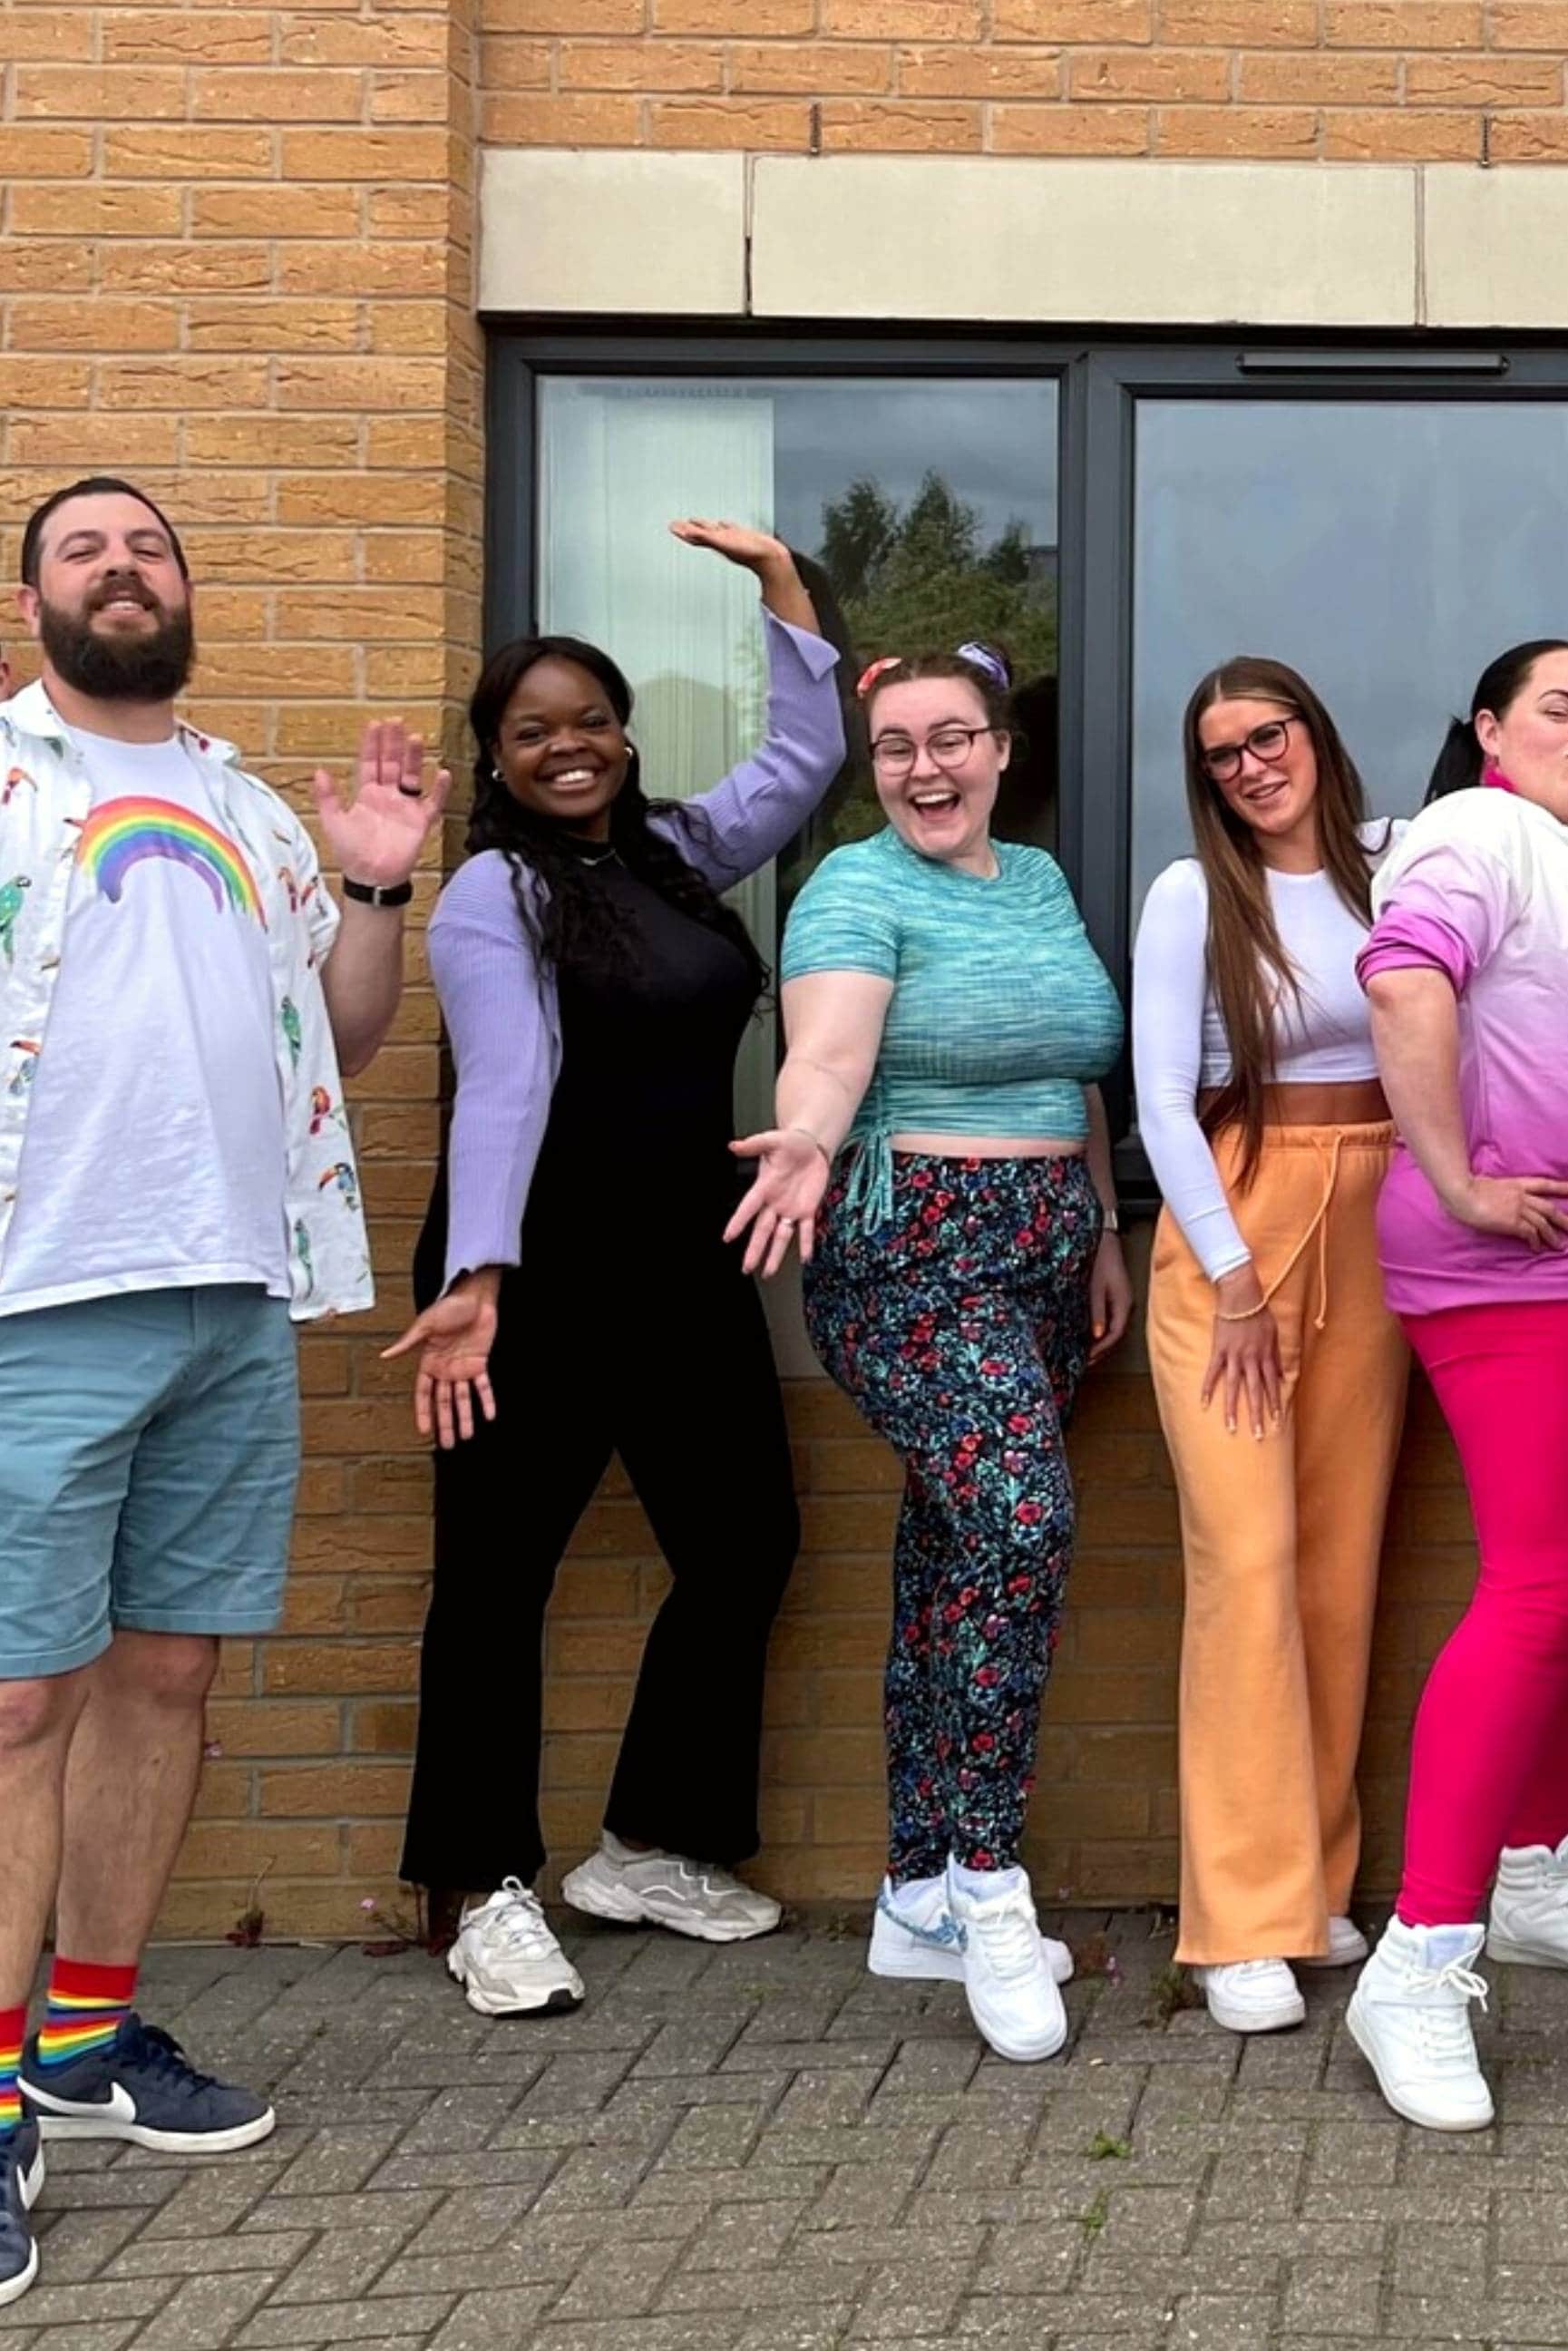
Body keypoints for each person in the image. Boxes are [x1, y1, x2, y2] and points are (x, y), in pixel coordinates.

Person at [0, 478, 433, 2303]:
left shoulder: (252, 808)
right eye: (85, 550)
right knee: (19, 1701)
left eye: (148, 549)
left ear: (184, 590)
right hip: (35, 1301)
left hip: (236, 1296)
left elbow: (335, 1037)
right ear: (33, 598)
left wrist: (374, 884)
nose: (123, 570)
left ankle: (81, 2043)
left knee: (167, 1672)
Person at [386, 522, 843, 2020]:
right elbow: (506, 1088)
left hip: (680, 1267)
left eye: (588, 721)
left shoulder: (670, 854)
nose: (568, 747)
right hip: (527, 1280)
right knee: (498, 1581)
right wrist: (477, 1281)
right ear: (496, 761)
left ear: (624, 735)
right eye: (533, 733)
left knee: (744, 1543)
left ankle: (645, 1845)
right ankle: (479, 1887)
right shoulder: (492, 897)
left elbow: (799, 764)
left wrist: (784, 595)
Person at [723, 644, 1128, 2068]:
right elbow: (829, 1051)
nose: (924, 768)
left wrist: (1102, 1230)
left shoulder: (1040, 884)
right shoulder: (855, 887)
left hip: (1041, 1253)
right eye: (895, 747)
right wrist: (810, 1138)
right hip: (912, 1252)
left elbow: (1074, 1062)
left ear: (1002, 750)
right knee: (1024, 1525)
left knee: (959, 1552)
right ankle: (989, 1880)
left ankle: (912, 1894)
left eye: (951, 738)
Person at [1342, 639, 1568, 2132]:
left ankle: (1535, 1873)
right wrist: (1456, 1174)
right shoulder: (1471, 831)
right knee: (1542, 1594)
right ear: (1483, 727)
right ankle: (1418, 1962)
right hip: (1520, 1272)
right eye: (1554, 709)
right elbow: (1404, 982)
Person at [1130, 658, 1407, 2034]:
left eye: (1269, 735)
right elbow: (1161, 1103)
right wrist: (1235, 1279)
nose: (1250, 765)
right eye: (1223, 752)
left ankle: (1313, 1881)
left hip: (1380, 1215)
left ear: (1316, 730)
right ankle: (1238, 1922)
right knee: (1245, 1563)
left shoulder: (1395, 863)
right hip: (1235, 1229)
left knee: (1338, 1567)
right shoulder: (1193, 895)